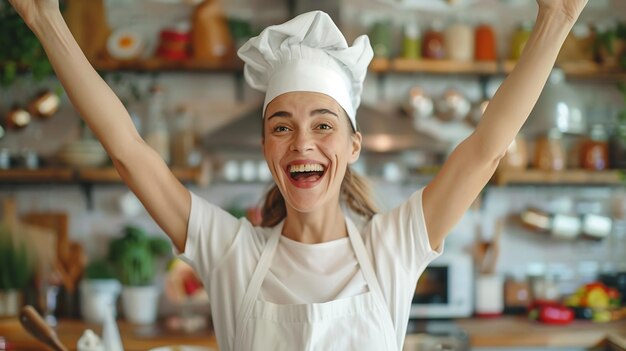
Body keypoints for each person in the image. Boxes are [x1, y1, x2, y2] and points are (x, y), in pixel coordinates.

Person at [8, 0, 588, 349]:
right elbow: (129, 150)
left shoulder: (393, 246)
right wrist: (45, 17)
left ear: (354, 144)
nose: (302, 142)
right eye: (281, 126)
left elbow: (485, 149)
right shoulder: (229, 250)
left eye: (323, 125)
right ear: (265, 146)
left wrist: (557, 18)